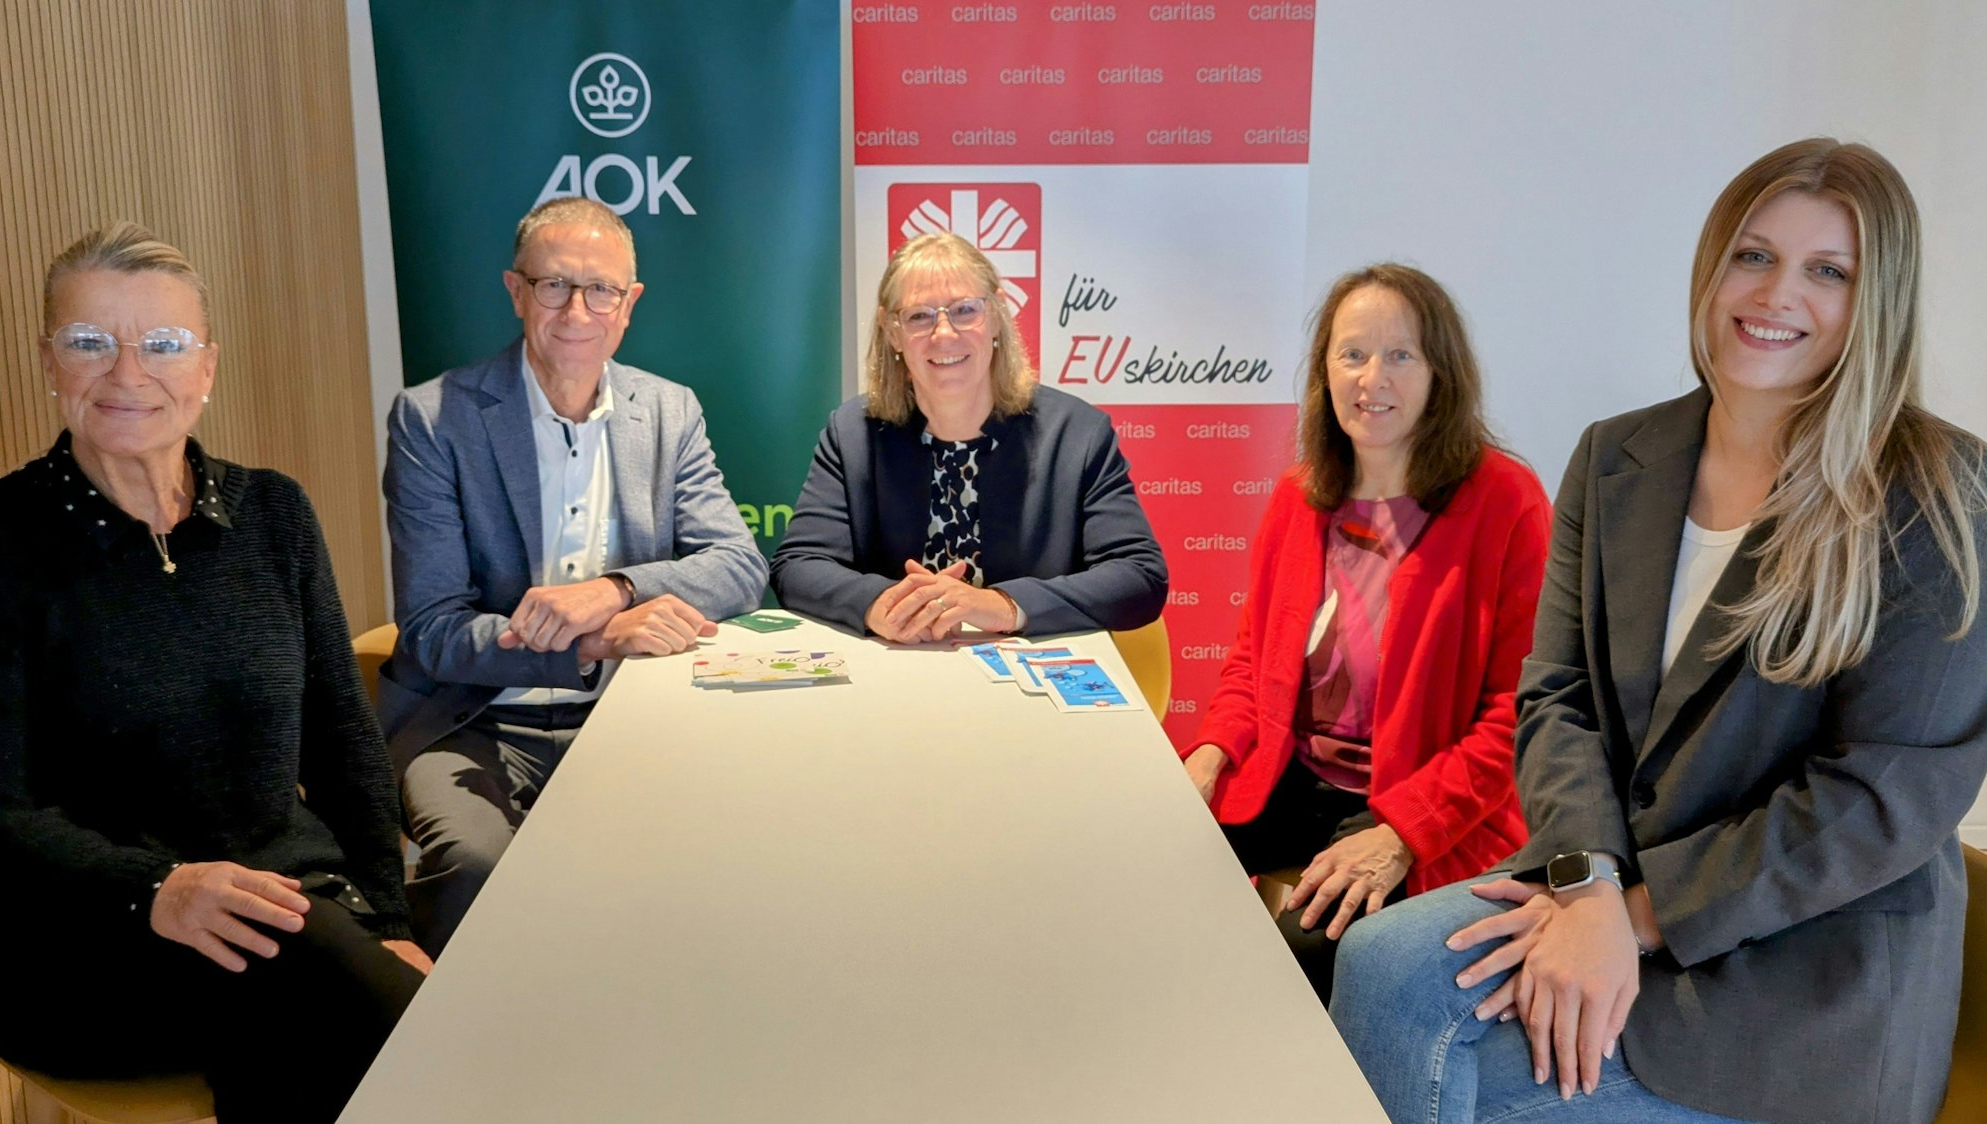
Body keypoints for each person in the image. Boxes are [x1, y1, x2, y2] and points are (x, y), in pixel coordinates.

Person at [1331, 138, 1987, 1124]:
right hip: (1605, 878)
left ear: (1875, 299)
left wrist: (1638, 917)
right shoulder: (1616, 455)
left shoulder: (1939, 493)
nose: (1774, 295)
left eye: (1828, 271)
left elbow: (1882, 796)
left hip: (1797, 970)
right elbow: (1558, 697)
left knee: (1474, 1094)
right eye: (1753, 255)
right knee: (1376, 958)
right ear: (1712, 263)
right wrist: (1587, 882)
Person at [0, 223, 426, 1123]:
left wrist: (389, 923)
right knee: (315, 994)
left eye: (162, 345)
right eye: (89, 342)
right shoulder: (0, 540)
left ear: (207, 368)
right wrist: (157, 887)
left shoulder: (274, 512)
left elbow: (344, 738)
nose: (127, 373)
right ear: (48, 361)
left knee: (295, 995)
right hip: (87, 935)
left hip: (291, 908)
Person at [382, 197, 767, 956]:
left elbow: (739, 564)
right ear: (516, 291)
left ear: (630, 305)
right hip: (475, 717)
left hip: (635, 718)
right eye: (554, 285)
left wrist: (615, 591)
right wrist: (593, 642)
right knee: (472, 864)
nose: (577, 309)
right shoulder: (432, 420)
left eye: (602, 290)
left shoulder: (669, 410)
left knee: (715, 861)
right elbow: (431, 631)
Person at [1180, 264, 1549, 1003]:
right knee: (1150, 878)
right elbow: (1254, 660)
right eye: (1352, 354)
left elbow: (1520, 718)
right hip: (1294, 775)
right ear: (1324, 371)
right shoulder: (1299, 494)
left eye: (1400, 355)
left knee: (1289, 964)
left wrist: (1401, 835)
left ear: (1441, 372)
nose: (1371, 377)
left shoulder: (1506, 502)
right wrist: (1213, 750)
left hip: (1416, 800)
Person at [771, 232, 1166, 640]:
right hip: (896, 674)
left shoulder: (1078, 433)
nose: (944, 333)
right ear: (893, 334)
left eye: (964, 311)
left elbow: (1139, 577)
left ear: (995, 316)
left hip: (1029, 686)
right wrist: (881, 604)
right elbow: (797, 566)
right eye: (919, 316)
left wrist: (1006, 605)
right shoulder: (852, 433)